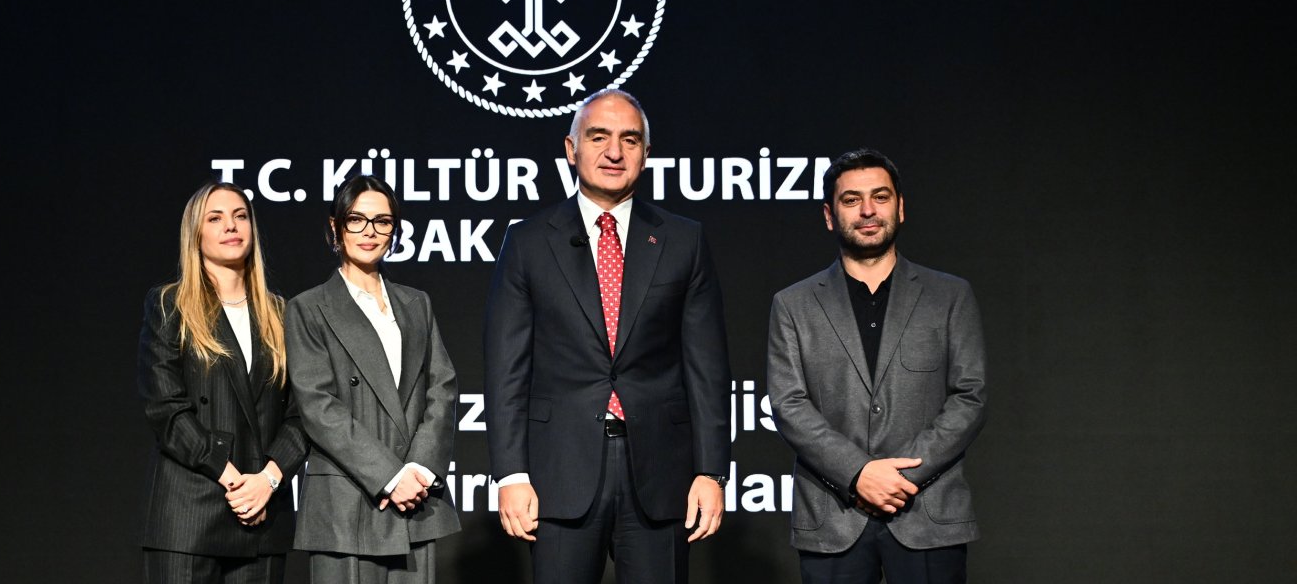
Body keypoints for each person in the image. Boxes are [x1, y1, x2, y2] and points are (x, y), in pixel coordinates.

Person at [482, 89, 733, 584]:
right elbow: (506, 367)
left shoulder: (684, 240)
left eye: (630, 140)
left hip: (660, 473)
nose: (614, 152)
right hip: (559, 473)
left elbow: (707, 367)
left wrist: (711, 471)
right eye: (598, 137)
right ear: (571, 149)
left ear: (647, 153)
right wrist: (511, 474)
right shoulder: (528, 241)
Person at [766, 148, 987, 584]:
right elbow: (788, 403)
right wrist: (858, 473)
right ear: (830, 215)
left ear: (900, 207)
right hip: (832, 517)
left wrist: (902, 476)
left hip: (928, 511)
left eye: (880, 197)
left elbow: (970, 397)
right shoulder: (792, 305)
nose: (867, 210)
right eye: (851, 200)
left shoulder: (950, 296)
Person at [285, 174, 461, 583]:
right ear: (335, 227)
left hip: (414, 502)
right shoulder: (308, 308)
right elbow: (318, 407)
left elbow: (442, 387)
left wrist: (418, 468)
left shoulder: (416, 303)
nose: (370, 232)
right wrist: (390, 476)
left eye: (382, 221)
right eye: (356, 220)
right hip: (348, 503)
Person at [138, 180, 307, 584]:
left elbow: (303, 415)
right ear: (195, 234)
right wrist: (234, 480)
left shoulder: (283, 314)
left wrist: (267, 480)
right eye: (216, 218)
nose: (231, 226)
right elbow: (166, 409)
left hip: (263, 517)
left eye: (240, 216)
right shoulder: (170, 305)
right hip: (190, 515)